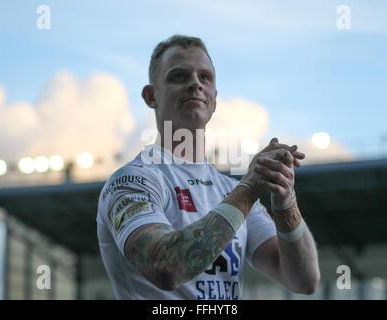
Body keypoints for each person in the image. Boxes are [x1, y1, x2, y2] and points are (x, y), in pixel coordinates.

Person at [96, 35, 320, 300]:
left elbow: (303, 281)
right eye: (179, 76)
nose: (195, 84)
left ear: (214, 97)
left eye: (205, 77)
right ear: (151, 95)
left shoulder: (230, 189)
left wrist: (285, 199)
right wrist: (249, 189)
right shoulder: (133, 180)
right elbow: (165, 267)